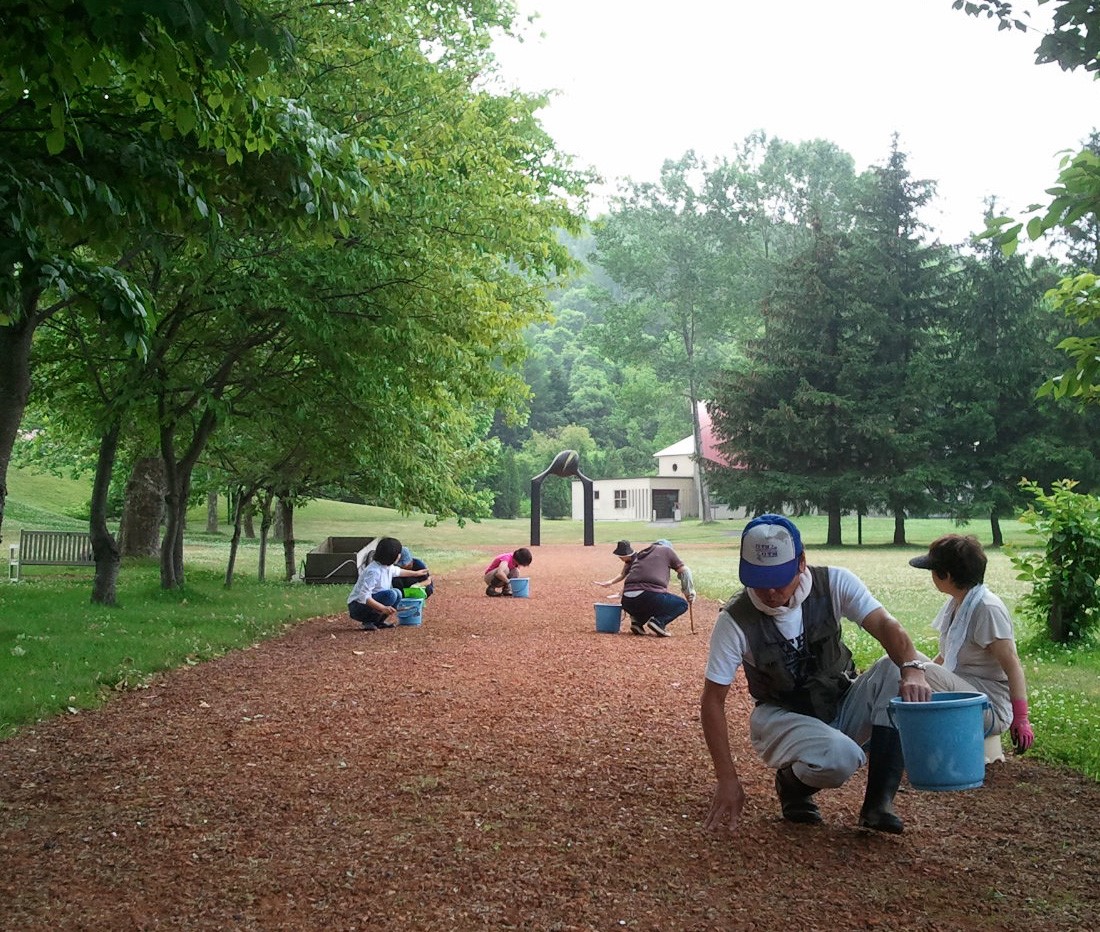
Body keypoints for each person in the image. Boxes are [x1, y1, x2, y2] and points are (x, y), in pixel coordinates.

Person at [700, 514, 932, 836]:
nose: (768, 591)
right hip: (780, 716)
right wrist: (727, 778)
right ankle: (792, 785)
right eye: (758, 578)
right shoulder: (735, 621)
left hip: (840, 698)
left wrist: (913, 670)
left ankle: (878, 804)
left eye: (778, 578)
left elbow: (885, 625)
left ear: (801, 563)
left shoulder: (834, 583)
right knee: (841, 757)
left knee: (897, 666)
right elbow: (713, 699)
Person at [907, 534, 1034, 755]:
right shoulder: (957, 603)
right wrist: (913, 666)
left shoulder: (987, 608)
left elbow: (1013, 666)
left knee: (920, 671)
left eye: (932, 570)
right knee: (902, 660)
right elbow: (946, 657)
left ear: (945, 575)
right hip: (963, 691)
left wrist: (1021, 718)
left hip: (990, 706)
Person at [347, 537, 429, 630]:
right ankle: (368, 621)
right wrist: (382, 608)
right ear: (392, 556)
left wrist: (416, 573)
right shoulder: (373, 571)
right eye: (398, 554)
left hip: (369, 603)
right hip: (357, 607)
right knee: (391, 594)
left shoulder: (386, 566)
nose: (399, 556)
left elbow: (398, 571)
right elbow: (364, 596)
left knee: (397, 593)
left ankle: (378, 622)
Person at [619, 539, 695, 637]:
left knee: (648, 601)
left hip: (626, 601)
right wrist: (689, 593)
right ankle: (659, 622)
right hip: (649, 597)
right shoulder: (666, 550)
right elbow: (684, 571)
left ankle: (637, 621)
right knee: (681, 604)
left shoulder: (642, 554)